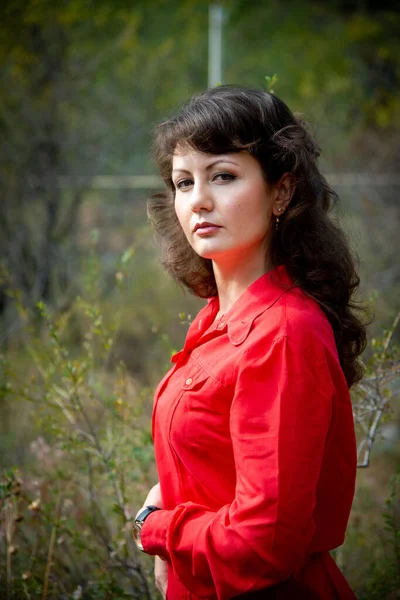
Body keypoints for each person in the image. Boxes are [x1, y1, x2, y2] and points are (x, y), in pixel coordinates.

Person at [132, 85, 366, 600]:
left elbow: (263, 545)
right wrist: (165, 494)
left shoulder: (282, 333)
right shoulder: (215, 319)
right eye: (183, 182)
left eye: (223, 176)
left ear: (281, 192)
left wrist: (157, 529)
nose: (199, 200)